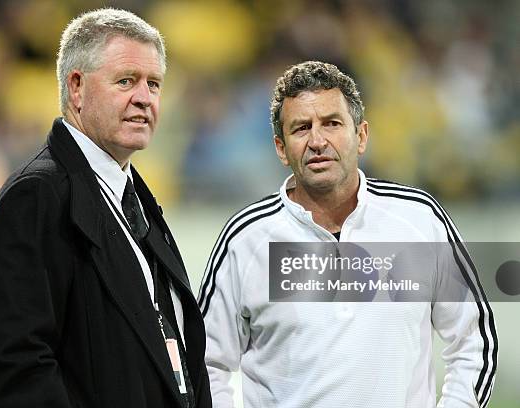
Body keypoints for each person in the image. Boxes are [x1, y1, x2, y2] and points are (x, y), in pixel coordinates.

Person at [198, 61, 497, 407]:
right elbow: (207, 362)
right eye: (300, 128)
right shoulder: (246, 239)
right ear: (281, 148)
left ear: (362, 136)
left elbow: (475, 340)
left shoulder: (419, 220)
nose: (317, 140)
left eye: (332, 123)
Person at [0, 9, 211, 408]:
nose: (144, 98)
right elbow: (15, 365)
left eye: (154, 84)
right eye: (126, 81)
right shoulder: (36, 195)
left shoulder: (131, 191)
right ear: (77, 88)